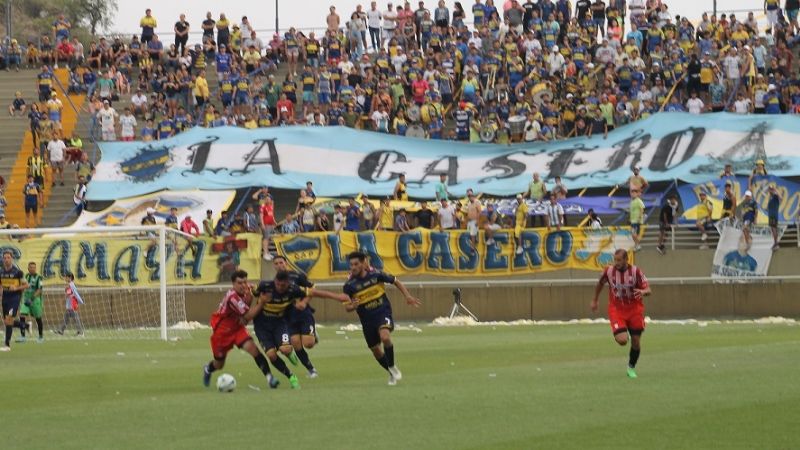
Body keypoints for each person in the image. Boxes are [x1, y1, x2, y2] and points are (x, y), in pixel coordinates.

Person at [246, 270, 349, 389]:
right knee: (271, 355)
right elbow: (250, 292)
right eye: (278, 284)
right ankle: (291, 376)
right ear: (275, 281)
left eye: (283, 285)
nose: (279, 287)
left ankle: (289, 352)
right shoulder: (265, 286)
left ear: (288, 283)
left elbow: (315, 292)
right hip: (262, 325)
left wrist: (338, 297)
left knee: (285, 348)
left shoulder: (293, 289)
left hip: (280, 323)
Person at [342, 251, 422, 386]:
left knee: (385, 337)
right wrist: (353, 306)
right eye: (351, 265)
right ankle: (391, 372)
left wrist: (407, 296)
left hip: (382, 312)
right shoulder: (349, 285)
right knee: (376, 350)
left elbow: (395, 281)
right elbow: (347, 307)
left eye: (356, 264)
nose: (353, 267)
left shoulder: (376, 275)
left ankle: (391, 366)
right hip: (367, 320)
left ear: (363, 263)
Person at [202, 270, 279, 389]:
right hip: (222, 332)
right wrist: (262, 302)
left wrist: (252, 294)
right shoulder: (232, 297)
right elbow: (247, 316)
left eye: (245, 282)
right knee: (219, 364)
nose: (243, 285)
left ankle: (270, 378)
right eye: (239, 283)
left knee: (253, 349)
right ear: (233, 284)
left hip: (237, 328)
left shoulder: (246, 289)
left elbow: (246, 308)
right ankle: (208, 368)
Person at [591, 249, 651, 378]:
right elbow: (600, 284)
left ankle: (631, 367)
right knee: (623, 340)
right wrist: (595, 300)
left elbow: (648, 289)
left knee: (635, 341)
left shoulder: (636, 271)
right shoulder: (609, 271)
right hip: (617, 309)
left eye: (619, 260)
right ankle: (624, 330)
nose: (616, 263)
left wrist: (643, 292)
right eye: (615, 260)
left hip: (635, 309)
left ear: (626, 259)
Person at [273, 256, 319, 378]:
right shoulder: (274, 283)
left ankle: (313, 334)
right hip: (288, 317)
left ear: (286, 263)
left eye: (281, 262)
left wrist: (304, 302)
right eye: (276, 263)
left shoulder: (297, 276)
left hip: (303, 315)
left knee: (308, 344)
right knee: (295, 343)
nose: (279, 265)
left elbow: (312, 288)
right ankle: (311, 369)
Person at [1, 250, 28, 351]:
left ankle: (7, 345)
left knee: (8, 319)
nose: (6, 260)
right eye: (5, 258)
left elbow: (26, 285)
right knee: (7, 321)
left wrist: (16, 288)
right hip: (5, 298)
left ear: (12, 258)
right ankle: (25, 325)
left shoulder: (18, 272)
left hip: (14, 298)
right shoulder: (1, 271)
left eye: (8, 257)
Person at [18, 262, 44, 343]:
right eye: (31, 267)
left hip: (35, 300)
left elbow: (39, 290)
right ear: (28, 268)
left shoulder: (39, 277)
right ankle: (23, 336)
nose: (32, 269)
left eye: (34, 267)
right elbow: (23, 286)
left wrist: (32, 299)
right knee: (22, 315)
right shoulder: (26, 276)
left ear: (35, 268)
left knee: (38, 318)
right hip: (26, 299)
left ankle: (40, 336)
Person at [54, 271, 83, 337]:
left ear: (69, 278)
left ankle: (80, 332)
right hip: (70, 304)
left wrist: (61, 300)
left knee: (75, 318)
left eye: (66, 277)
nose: (65, 278)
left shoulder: (70, 285)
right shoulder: (70, 284)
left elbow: (68, 294)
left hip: (72, 304)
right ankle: (61, 330)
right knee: (66, 318)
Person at [767, 184, 780, 250]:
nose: (769, 190)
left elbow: (780, 197)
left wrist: (774, 189)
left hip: (773, 215)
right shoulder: (771, 197)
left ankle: (776, 244)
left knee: (774, 229)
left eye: (770, 189)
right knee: (773, 229)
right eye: (769, 189)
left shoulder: (775, 196)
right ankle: (775, 243)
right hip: (771, 215)